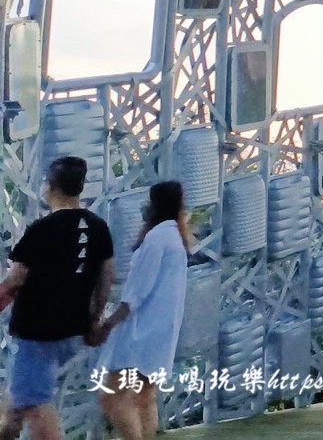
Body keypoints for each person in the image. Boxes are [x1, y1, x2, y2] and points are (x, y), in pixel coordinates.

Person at [0, 157, 116, 440]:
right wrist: (94, 320)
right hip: (73, 329)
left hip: (37, 332)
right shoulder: (98, 226)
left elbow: (14, 281)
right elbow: (106, 278)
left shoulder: (42, 229)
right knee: (19, 399)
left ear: (49, 187)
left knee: (35, 404)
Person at [91, 181, 190, 440]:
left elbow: (137, 292)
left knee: (112, 399)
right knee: (145, 399)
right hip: (161, 333)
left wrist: (108, 323)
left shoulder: (157, 238)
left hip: (140, 334)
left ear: (156, 205)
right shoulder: (175, 238)